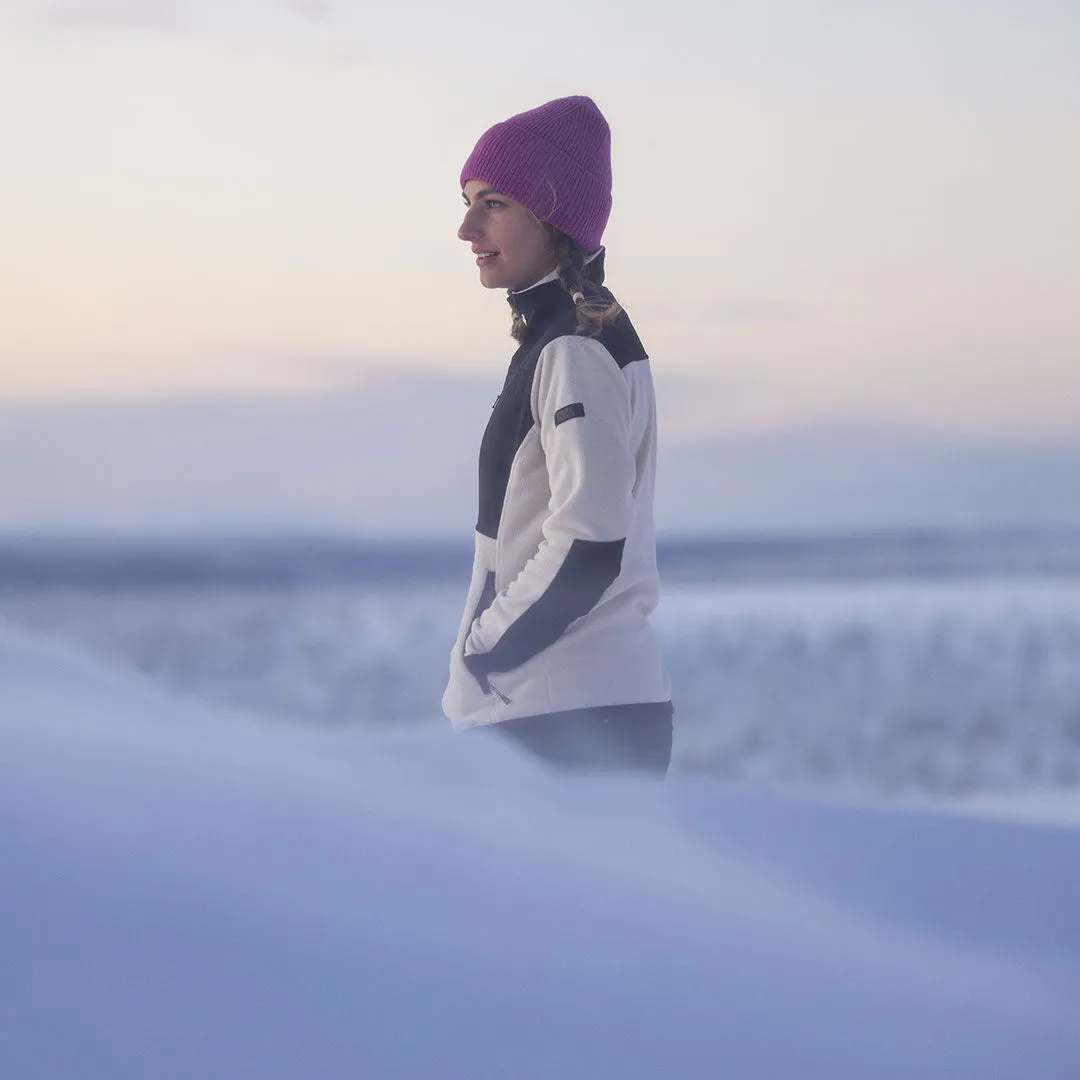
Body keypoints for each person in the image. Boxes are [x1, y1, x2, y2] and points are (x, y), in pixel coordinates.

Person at [441, 95, 673, 774]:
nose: (466, 227)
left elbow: (592, 539)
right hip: (571, 706)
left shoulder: (574, 347)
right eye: (467, 200)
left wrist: (487, 650)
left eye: (494, 203)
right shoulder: (572, 336)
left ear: (553, 215)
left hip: (561, 716)